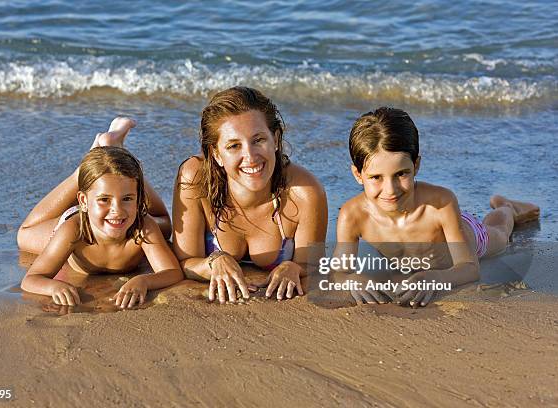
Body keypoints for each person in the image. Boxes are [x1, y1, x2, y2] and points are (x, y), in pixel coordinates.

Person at [334, 107, 540, 307]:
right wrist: (352, 279)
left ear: (416, 165)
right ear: (358, 174)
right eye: (376, 177)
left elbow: (469, 269)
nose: (390, 190)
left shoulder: (441, 203)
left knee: (500, 235)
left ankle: (507, 208)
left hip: (466, 235)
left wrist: (434, 277)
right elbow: (338, 272)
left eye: (401, 174)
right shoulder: (351, 215)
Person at [172, 86, 328, 304]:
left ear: (275, 139)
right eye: (234, 145)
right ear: (216, 154)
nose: (250, 156)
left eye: (258, 140)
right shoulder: (196, 179)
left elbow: (311, 265)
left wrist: (293, 267)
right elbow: (184, 260)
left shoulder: (305, 193)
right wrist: (214, 261)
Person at [18, 118, 182, 309]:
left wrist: (143, 281)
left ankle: (113, 151)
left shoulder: (143, 227)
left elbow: (172, 272)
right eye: (105, 200)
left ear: (138, 199)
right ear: (83, 201)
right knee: (24, 234)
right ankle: (84, 169)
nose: (117, 210)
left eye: (128, 199)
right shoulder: (72, 230)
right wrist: (53, 287)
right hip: (82, 221)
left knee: (165, 225)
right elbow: (31, 279)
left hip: (110, 208)